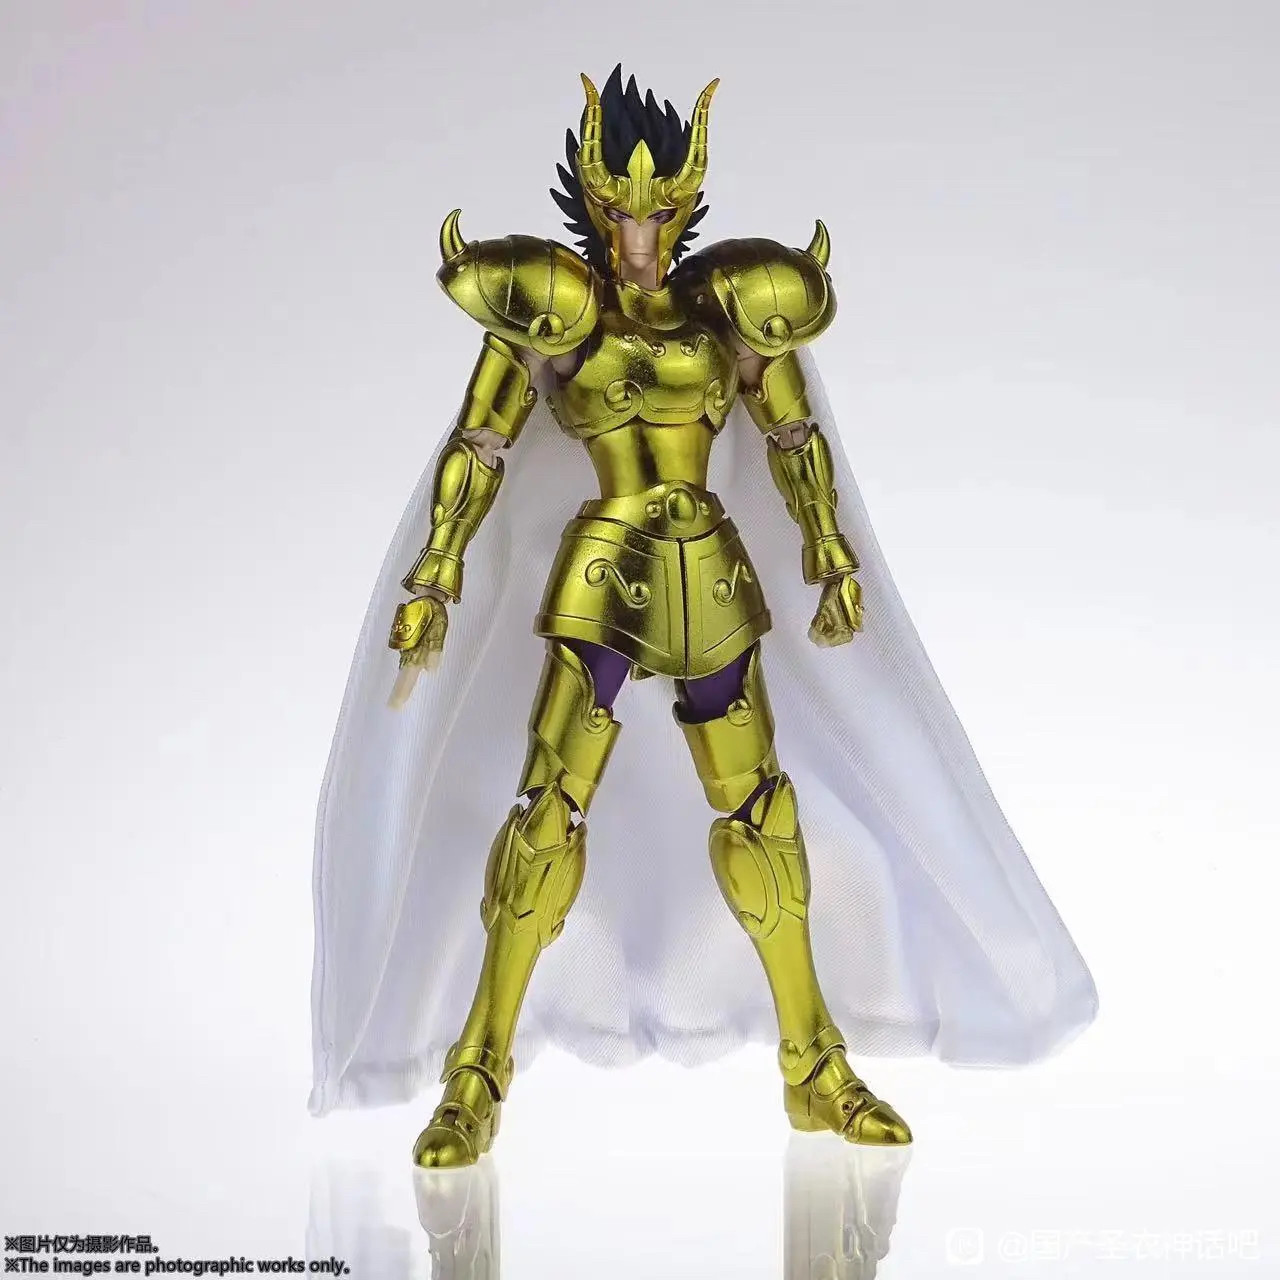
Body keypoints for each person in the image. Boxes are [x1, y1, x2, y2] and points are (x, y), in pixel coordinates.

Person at [309, 65, 1098, 1169]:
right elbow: (478, 446)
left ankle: (812, 1062)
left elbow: (793, 435)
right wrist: (434, 574)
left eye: (663, 204)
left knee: (763, 814)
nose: (640, 229)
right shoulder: (552, 306)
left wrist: (828, 551)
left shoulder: (730, 303)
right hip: (603, 574)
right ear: (591, 198)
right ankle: (476, 1072)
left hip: (713, 578)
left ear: (689, 199)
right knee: (546, 812)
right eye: (621, 205)